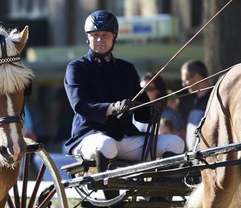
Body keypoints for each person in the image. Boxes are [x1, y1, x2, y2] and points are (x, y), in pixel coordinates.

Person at [63, 10, 184, 171]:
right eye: (95, 34)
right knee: (107, 144)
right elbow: (81, 106)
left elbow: (143, 116)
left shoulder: (126, 69)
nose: (99, 39)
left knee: (176, 143)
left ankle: (161, 192)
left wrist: (157, 105)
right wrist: (112, 108)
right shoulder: (76, 68)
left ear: (114, 37)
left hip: (125, 138)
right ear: (88, 37)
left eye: (105, 35)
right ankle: (109, 194)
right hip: (90, 137)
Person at [139, 71, 186, 145]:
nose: (144, 93)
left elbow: (180, 142)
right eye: (141, 89)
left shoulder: (170, 114)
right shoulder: (136, 113)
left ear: (158, 91)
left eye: (149, 89)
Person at [180, 59, 211, 150]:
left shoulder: (213, 99)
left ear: (197, 77)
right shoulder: (193, 101)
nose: (183, 85)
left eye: (185, 80)